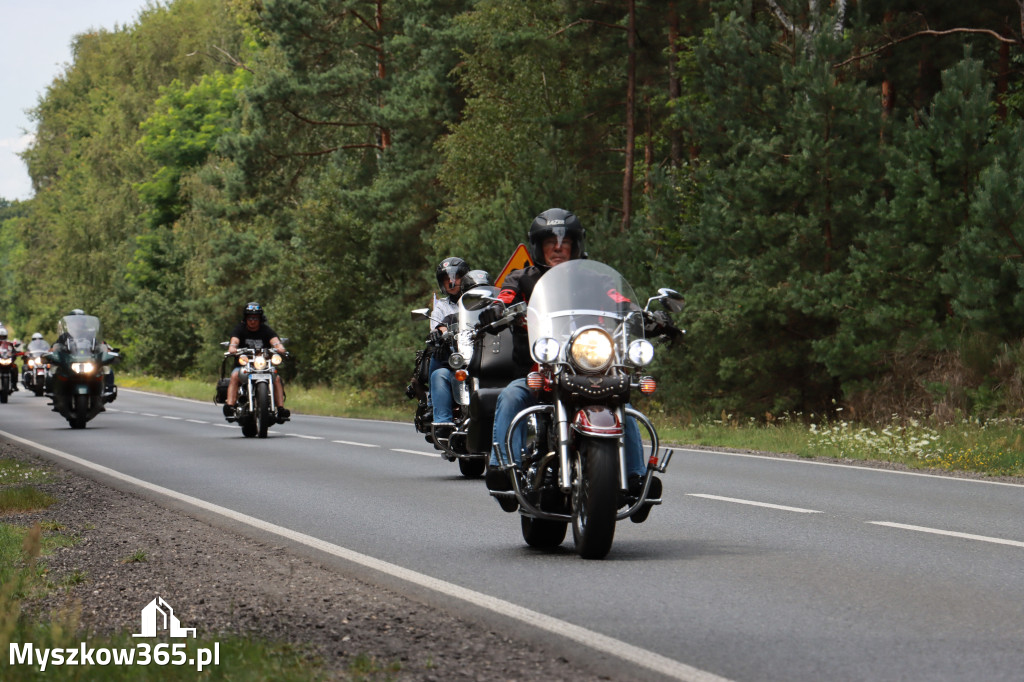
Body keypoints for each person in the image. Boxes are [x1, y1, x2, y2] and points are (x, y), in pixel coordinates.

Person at [480, 208, 662, 517]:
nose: (558, 247)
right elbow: (506, 297)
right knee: (512, 394)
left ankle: (635, 477)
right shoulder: (522, 278)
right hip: (539, 371)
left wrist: (647, 315)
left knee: (625, 405)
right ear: (538, 246)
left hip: (591, 368)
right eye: (550, 241)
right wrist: (496, 308)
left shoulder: (596, 279)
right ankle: (502, 470)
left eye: (565, 241)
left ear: (577, 245)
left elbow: (623, 302)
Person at [223, 302, 290, 422]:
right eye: (250, 318)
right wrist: (233, 348)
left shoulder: (266, 330)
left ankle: (280, 409)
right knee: (234, 375)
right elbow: (234, 341)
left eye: (255, 318)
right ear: (246, 318)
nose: (252, 321)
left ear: (260, 319)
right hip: (244, 366)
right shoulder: (240, 329)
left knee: (277, 378)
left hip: (263, 366)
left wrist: (280, 348)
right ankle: (230, 406)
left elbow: (275, 342)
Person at [427, 257, 470, 439]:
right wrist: (440, 332)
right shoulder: (442, 306)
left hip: (480, 355)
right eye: (447, 279)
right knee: (439, 372)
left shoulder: (475, 300)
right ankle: (442, 421)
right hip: (455, 356)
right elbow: (437, 325)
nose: (452, 282)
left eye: (456, 277)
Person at [0, 326, 19, 391]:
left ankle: (14, 384)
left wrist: (14, 354)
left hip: (6, 360)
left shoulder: (9, 344)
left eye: (3, 336)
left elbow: (14, 351)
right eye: (0, 336)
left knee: (14, 367)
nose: (2, 338)